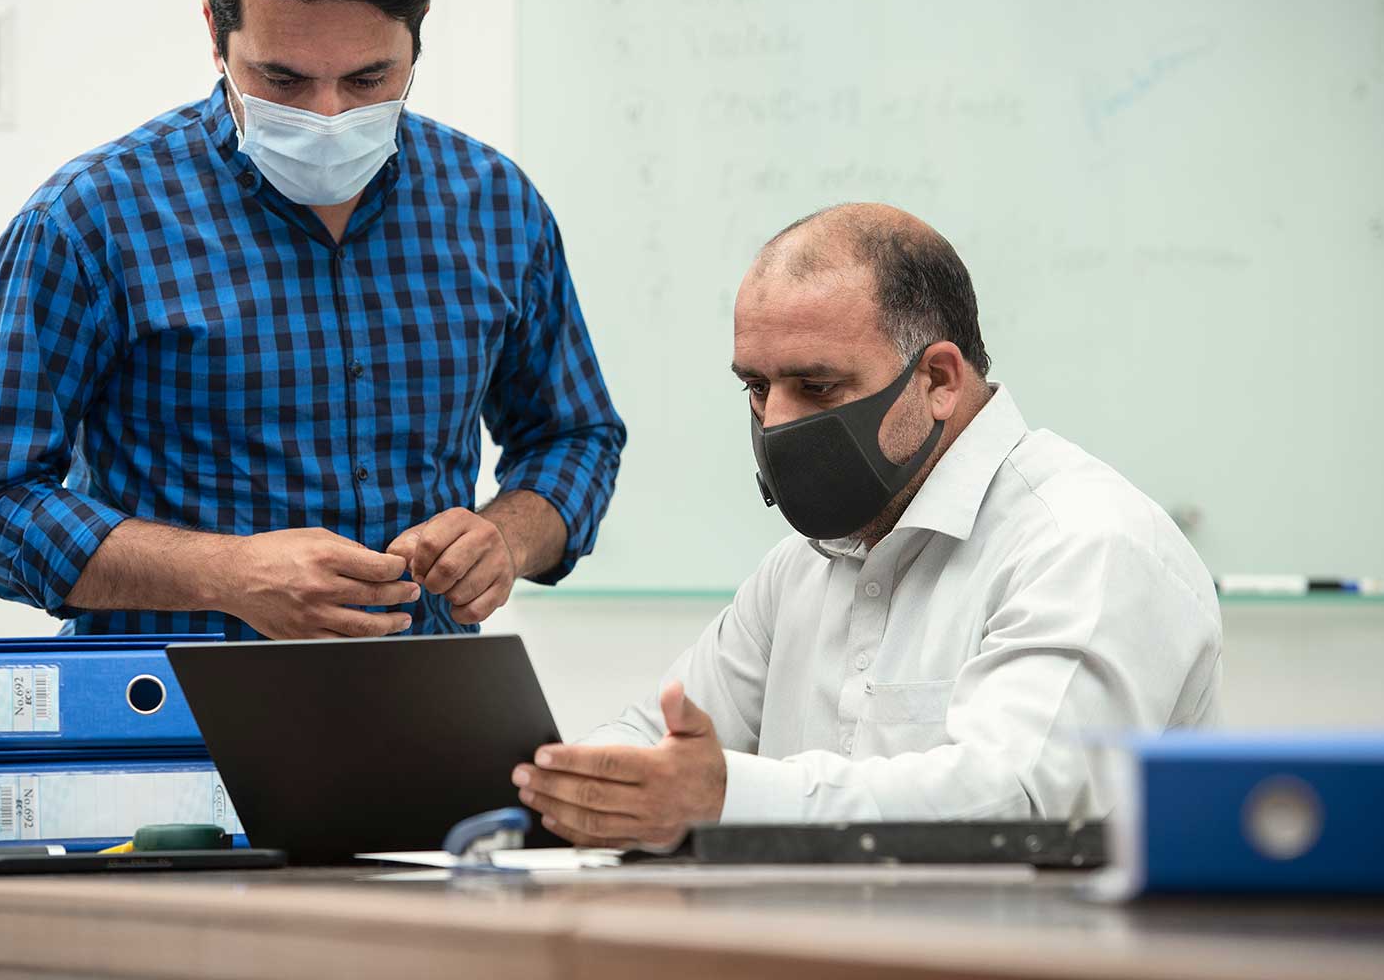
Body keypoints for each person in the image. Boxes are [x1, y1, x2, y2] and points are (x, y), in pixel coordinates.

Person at [0, 0, 625, 639]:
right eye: (282, 80)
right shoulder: (91, 222)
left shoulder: (494, 207)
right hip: (174, 729)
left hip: (417, 714)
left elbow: (575, 438)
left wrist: (506, 538)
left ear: (418, 29)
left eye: (369, 78)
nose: (328, 115)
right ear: (214, 31)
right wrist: (227, 575)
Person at [512, 203, 1221, 847]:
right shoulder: (804, 566)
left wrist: (725, 796)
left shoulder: (1084, 542)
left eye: (817, 386)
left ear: (940, 380)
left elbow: (1018, 801)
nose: (778, 422)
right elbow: (656, 748)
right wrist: (563, 788)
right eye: (756, 388)